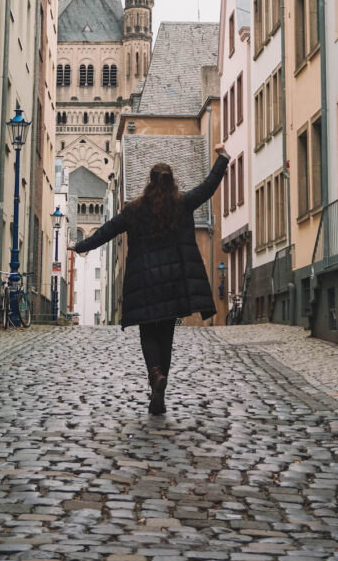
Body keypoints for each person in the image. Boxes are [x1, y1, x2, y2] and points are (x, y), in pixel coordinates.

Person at [68, 145, 229, 415]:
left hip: (144, 282)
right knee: (166, 335)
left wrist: (82, 245)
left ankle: (155, 375)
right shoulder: (182, 204)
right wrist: (222, 158)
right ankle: (160, 385)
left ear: (150, 183)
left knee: (147, 334)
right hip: (173, 282)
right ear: (171, 182)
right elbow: (208, 186)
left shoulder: (134, 210)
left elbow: (107, 230)